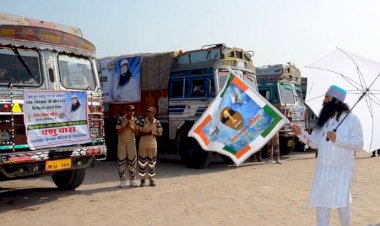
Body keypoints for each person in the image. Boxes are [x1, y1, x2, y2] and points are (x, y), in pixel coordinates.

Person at [292, 85, 364, 226]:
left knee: (342, 205)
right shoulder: (323, 120)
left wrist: (338, 139)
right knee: (322, 205)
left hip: (342, 170)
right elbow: (314, 143)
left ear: (336, 101)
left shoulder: (352, 120)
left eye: (327, 98)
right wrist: (300, 133)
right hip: (323, 171)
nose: (324, 101)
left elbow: (358, 143)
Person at [137, 106, 163, 187]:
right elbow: (138, 133)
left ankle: (152, 180)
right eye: (147, 111)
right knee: (142, 163)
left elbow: (160, 133)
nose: (148, 113)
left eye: (150, 112)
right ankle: (142, 180)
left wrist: (154, 133)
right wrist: (147, 133)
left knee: (152, 163)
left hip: (152, 145)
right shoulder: (143, 121)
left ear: (154, 113)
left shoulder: (157, 122)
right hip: (143, 145)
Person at [115, 105, 139, 188]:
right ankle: (122, 180)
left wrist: (131, 127)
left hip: (131, 143)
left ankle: (132, 180)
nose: (131, 112)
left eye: (132, 111)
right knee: (121, 162)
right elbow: (118, 131)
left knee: (132, 161)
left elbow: (137, 132)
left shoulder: (135, 120)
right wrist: (125, 126)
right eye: (129, 110)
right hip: (122, 143)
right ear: (126, 111)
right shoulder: (121, 119)